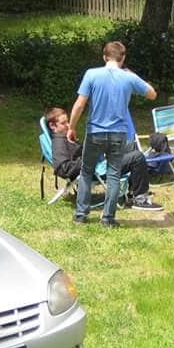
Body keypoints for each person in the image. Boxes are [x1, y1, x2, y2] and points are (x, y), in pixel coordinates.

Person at [67, 41, 159, 227]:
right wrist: (133, 75)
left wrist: (71, 127)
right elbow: (152, 95)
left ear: (104, 57)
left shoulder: (91, 74)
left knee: (86, 172)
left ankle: (81, 215)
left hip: (95, 132)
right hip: (118, 134)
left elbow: (79, 104)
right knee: (114, 174)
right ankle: (108, 218)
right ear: (123, 58)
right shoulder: (128, 78)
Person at [45, 107, 162, 213]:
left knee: (130, 146)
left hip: (98, 162)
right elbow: (63, 169)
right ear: (52, 126)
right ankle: (140, 200)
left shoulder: (65, 138)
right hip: (96, 170)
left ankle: (134, 190)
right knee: (137, 157)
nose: (68, 125)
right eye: (63, 123)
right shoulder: (59, 143)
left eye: (68, 121)